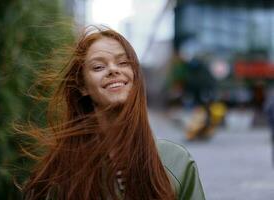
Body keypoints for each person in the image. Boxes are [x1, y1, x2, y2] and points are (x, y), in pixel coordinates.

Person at [21, 26, 205, 200]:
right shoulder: (63, 169)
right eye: (98, 67)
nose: (113, 70)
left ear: (135, 76)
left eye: (123, 62)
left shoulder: (176, 161)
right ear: (83, 86)